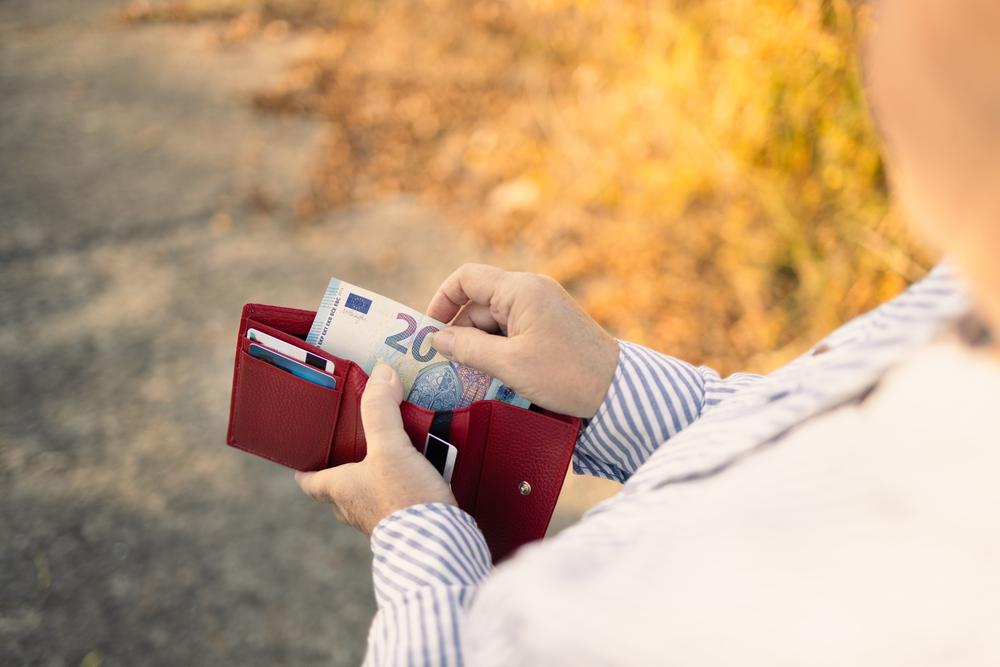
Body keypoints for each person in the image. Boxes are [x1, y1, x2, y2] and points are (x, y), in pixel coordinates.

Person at [296, 0, 1000, 663]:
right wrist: (609, 384)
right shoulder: (966, 289)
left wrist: (415, 533)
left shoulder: (933, 583)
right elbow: (802, 436)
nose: (873, 32)